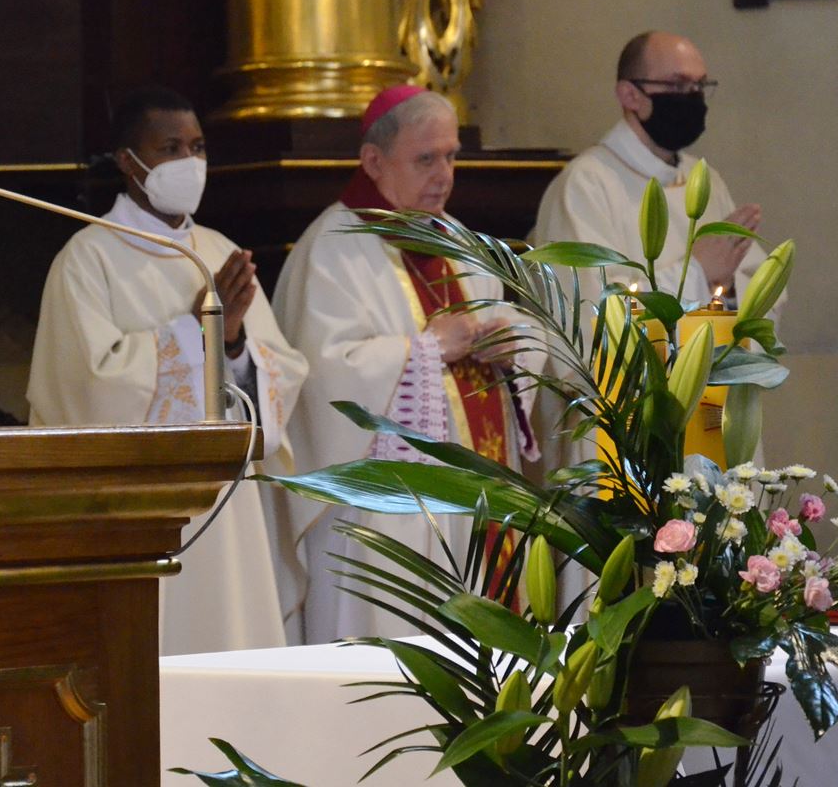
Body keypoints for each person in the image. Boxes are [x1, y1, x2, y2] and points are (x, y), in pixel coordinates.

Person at [26, 86, 308, 654]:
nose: (190, 163)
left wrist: (231, 345)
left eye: (199, 147)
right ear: (129, 163)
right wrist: (196, 332)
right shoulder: (89, 258)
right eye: (171, 148)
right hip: (143, 508)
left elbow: (279, 373)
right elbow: (90, 386)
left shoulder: (220, 249)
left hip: (229, 505)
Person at [272, 85, 540, 644]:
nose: (444, 175)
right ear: (374, 161)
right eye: (425, 159)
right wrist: (424, 350)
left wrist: (510, 345)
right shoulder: (332, 249)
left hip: (477, 510)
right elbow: (319, 382)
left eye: (451, 157)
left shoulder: (460, 241)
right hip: (381, 523)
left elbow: (512, 326)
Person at [533, 32, 765, 310]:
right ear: (630, 95)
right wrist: (697, 272)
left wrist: (729, 287)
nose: (692, 98)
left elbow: (759, 286)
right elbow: (590, 310)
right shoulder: (586, 186)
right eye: (678, 85)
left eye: (699, 86)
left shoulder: (704, 180)